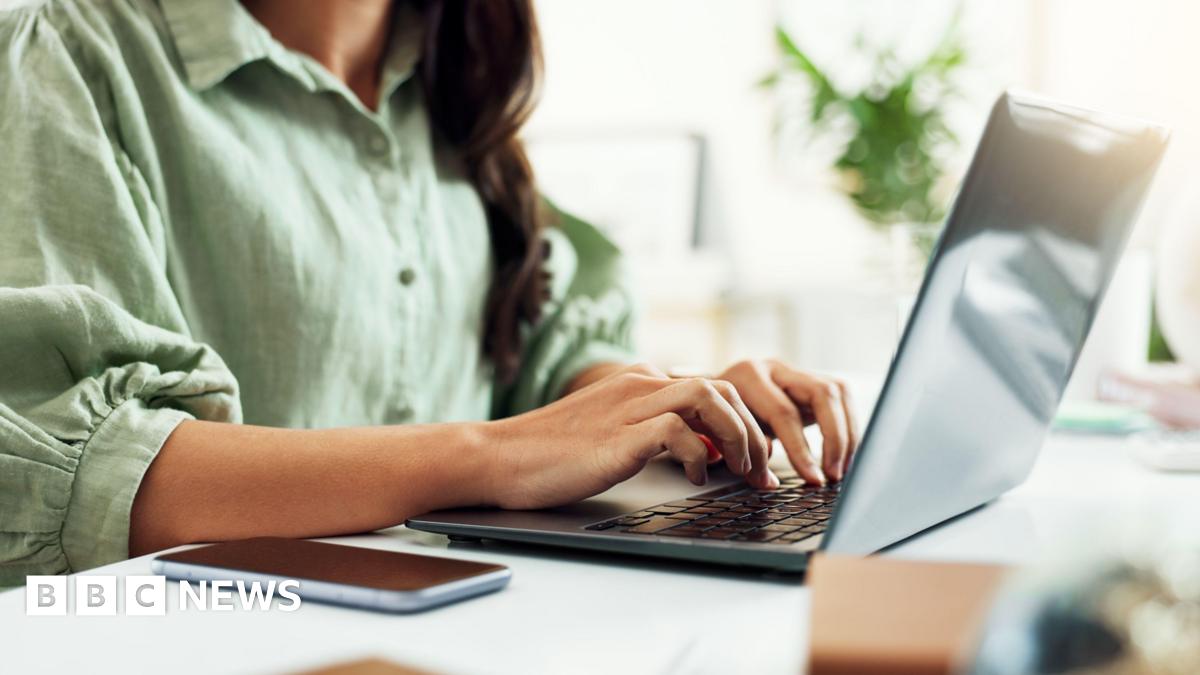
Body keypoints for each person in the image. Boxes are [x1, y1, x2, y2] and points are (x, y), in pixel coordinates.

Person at [0, 0, 857, 584]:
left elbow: (537, 357)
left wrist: (667, 410)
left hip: (470, 623)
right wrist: (493, 453)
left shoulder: (448, 79)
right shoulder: (68, 50)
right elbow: (75, 472)